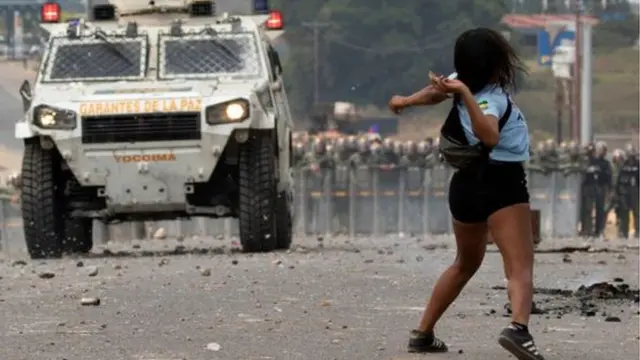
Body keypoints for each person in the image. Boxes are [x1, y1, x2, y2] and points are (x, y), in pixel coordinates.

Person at [388, 28, 544, 360]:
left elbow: (436, 92)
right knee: (519, 266)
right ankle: (519, 329)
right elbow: (488, 135)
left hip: (465, 186)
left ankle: (423, 333)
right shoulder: (491, 96)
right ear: (492, 65)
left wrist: (405, 101)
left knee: (464, 262)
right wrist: (465, 95)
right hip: (501, 182)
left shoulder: (461, 82)